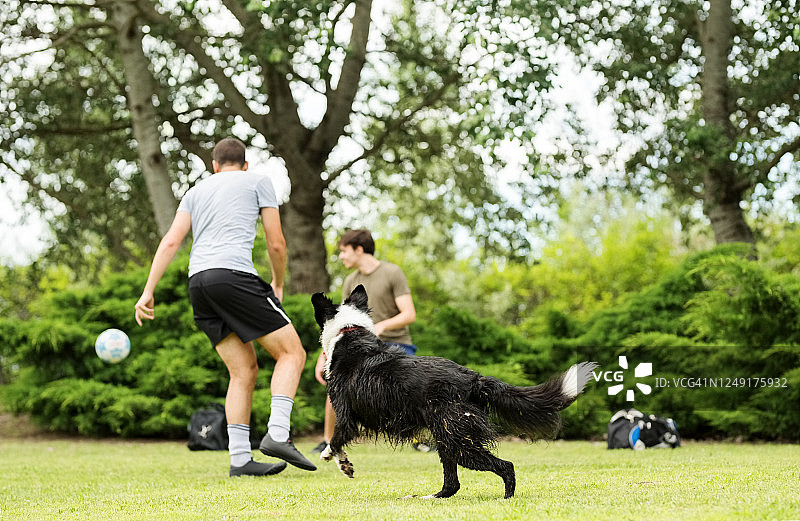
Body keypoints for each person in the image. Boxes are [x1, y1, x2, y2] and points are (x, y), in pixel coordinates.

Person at [133, 137, 316, 477]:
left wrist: (148, 290)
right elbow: (276, 243)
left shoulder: (195, 192)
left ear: (214, 166)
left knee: (243, 371)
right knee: (293, 354)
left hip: (198, 284)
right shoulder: (258, 180)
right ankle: (277, 434)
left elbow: (172, 240)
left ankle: (239, 459)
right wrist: (277, 282)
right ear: (244, 164)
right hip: (232, 276)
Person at [312, 229, 424, 453]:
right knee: (337, 386)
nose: (341, 256)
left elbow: (409, 314)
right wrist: (323, 357)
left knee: (412, 390)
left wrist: (382, 326)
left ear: (359, 249)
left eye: (343, 251)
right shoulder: (351, 280)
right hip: (359, 348)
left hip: (395, 344)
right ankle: (329, 441)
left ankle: (420, 439)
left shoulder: (392, 272)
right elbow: (339, 325)